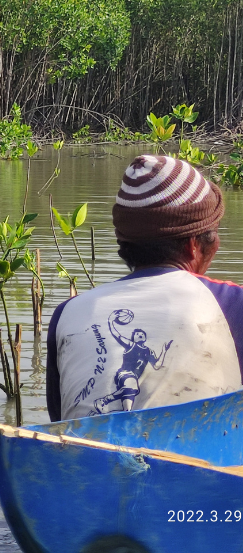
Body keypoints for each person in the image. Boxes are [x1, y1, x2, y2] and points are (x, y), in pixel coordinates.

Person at [47, 154, 243, 422]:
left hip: (82, 458)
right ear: (194, 245)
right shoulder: (233, 302)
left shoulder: (67, 313)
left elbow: (59, 422)